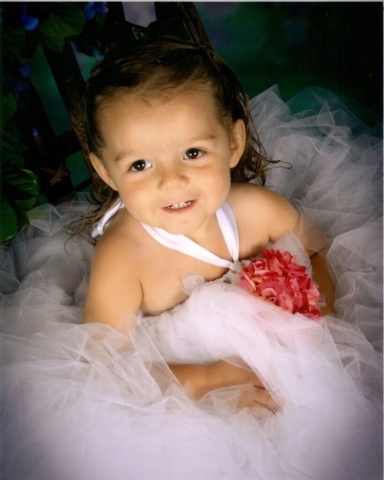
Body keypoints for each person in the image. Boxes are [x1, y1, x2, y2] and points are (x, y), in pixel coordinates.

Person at [1, 37, 382, 480]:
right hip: (181, 382)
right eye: (140, 165)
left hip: (275, 351)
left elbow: (314, 247)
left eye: (193, 153)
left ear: (233, 144)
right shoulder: (125, 258)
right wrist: (210, 379)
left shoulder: (253, 210)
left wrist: (320, 314)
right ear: (106, 172)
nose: (172, 180)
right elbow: (106, 370)